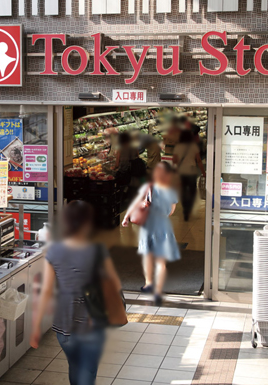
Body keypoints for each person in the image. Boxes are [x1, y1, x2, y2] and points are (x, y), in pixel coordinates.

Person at [31, 201, 122, 385]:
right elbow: (115, 283)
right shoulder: (97, 250)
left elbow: (46, 291)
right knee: (87, 373)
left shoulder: (54, 251)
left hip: (64, 325)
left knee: (75, 367)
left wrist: (36, 326)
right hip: (91, 322)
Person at [122, 162, 180, 305]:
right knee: (161, 262)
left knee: (148, 256)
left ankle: (148, 284)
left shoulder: (149, 187)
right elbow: (172, 211)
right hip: (163, 226)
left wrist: (126, 217)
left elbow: (136, 203)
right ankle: (158, 291)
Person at [173, 129, 206, 221]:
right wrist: (203, 172)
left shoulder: (178, 147)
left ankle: (185, 209)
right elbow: (199, 160)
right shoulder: (194, 146)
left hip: (182, 171)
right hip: (191, 171)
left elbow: (174, 160)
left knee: (183, 190)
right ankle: (190, 206)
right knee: (192, 191)